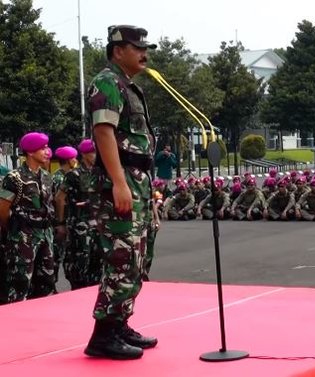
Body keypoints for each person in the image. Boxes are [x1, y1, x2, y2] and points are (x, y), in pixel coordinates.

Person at [84, 25, 159, 359]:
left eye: (145, 48)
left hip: (136, 181)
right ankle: (103, 335)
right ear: (117, 50)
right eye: (136, 47)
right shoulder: (107, 82)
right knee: (121, 256)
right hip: (122, 181)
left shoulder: (128, 86)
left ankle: (119, 323)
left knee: (137, 257)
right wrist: (119, 182)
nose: (144, 53)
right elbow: (103, 133)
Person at [0, 132, 55, 304]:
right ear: (30, 152)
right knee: (20, 281)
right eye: (43, 148)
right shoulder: (14, 177)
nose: (47, 151)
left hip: (45, 233)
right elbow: (2, 209)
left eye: (47, 147)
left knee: (47, 279)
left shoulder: (47, 176)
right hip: (23, 234)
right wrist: (12, 230)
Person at [54, 140, 103, 290]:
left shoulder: (99, 173)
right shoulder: (74, 175)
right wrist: (61, 223)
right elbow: (59, 198)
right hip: (79, 224)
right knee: (80, 262)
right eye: (92, 152)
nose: (94, 156)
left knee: (98, 262)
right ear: (83, 154)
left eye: (96, 152)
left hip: (98, 224)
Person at [52, 146, 79, 291]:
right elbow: (58, 201)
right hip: (61, 223)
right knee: (58, 256)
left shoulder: (64, 175)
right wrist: (60, 222)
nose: (76, 160)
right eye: (74, 158)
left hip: (69, 222)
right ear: (69, 160)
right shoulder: (60, 178)